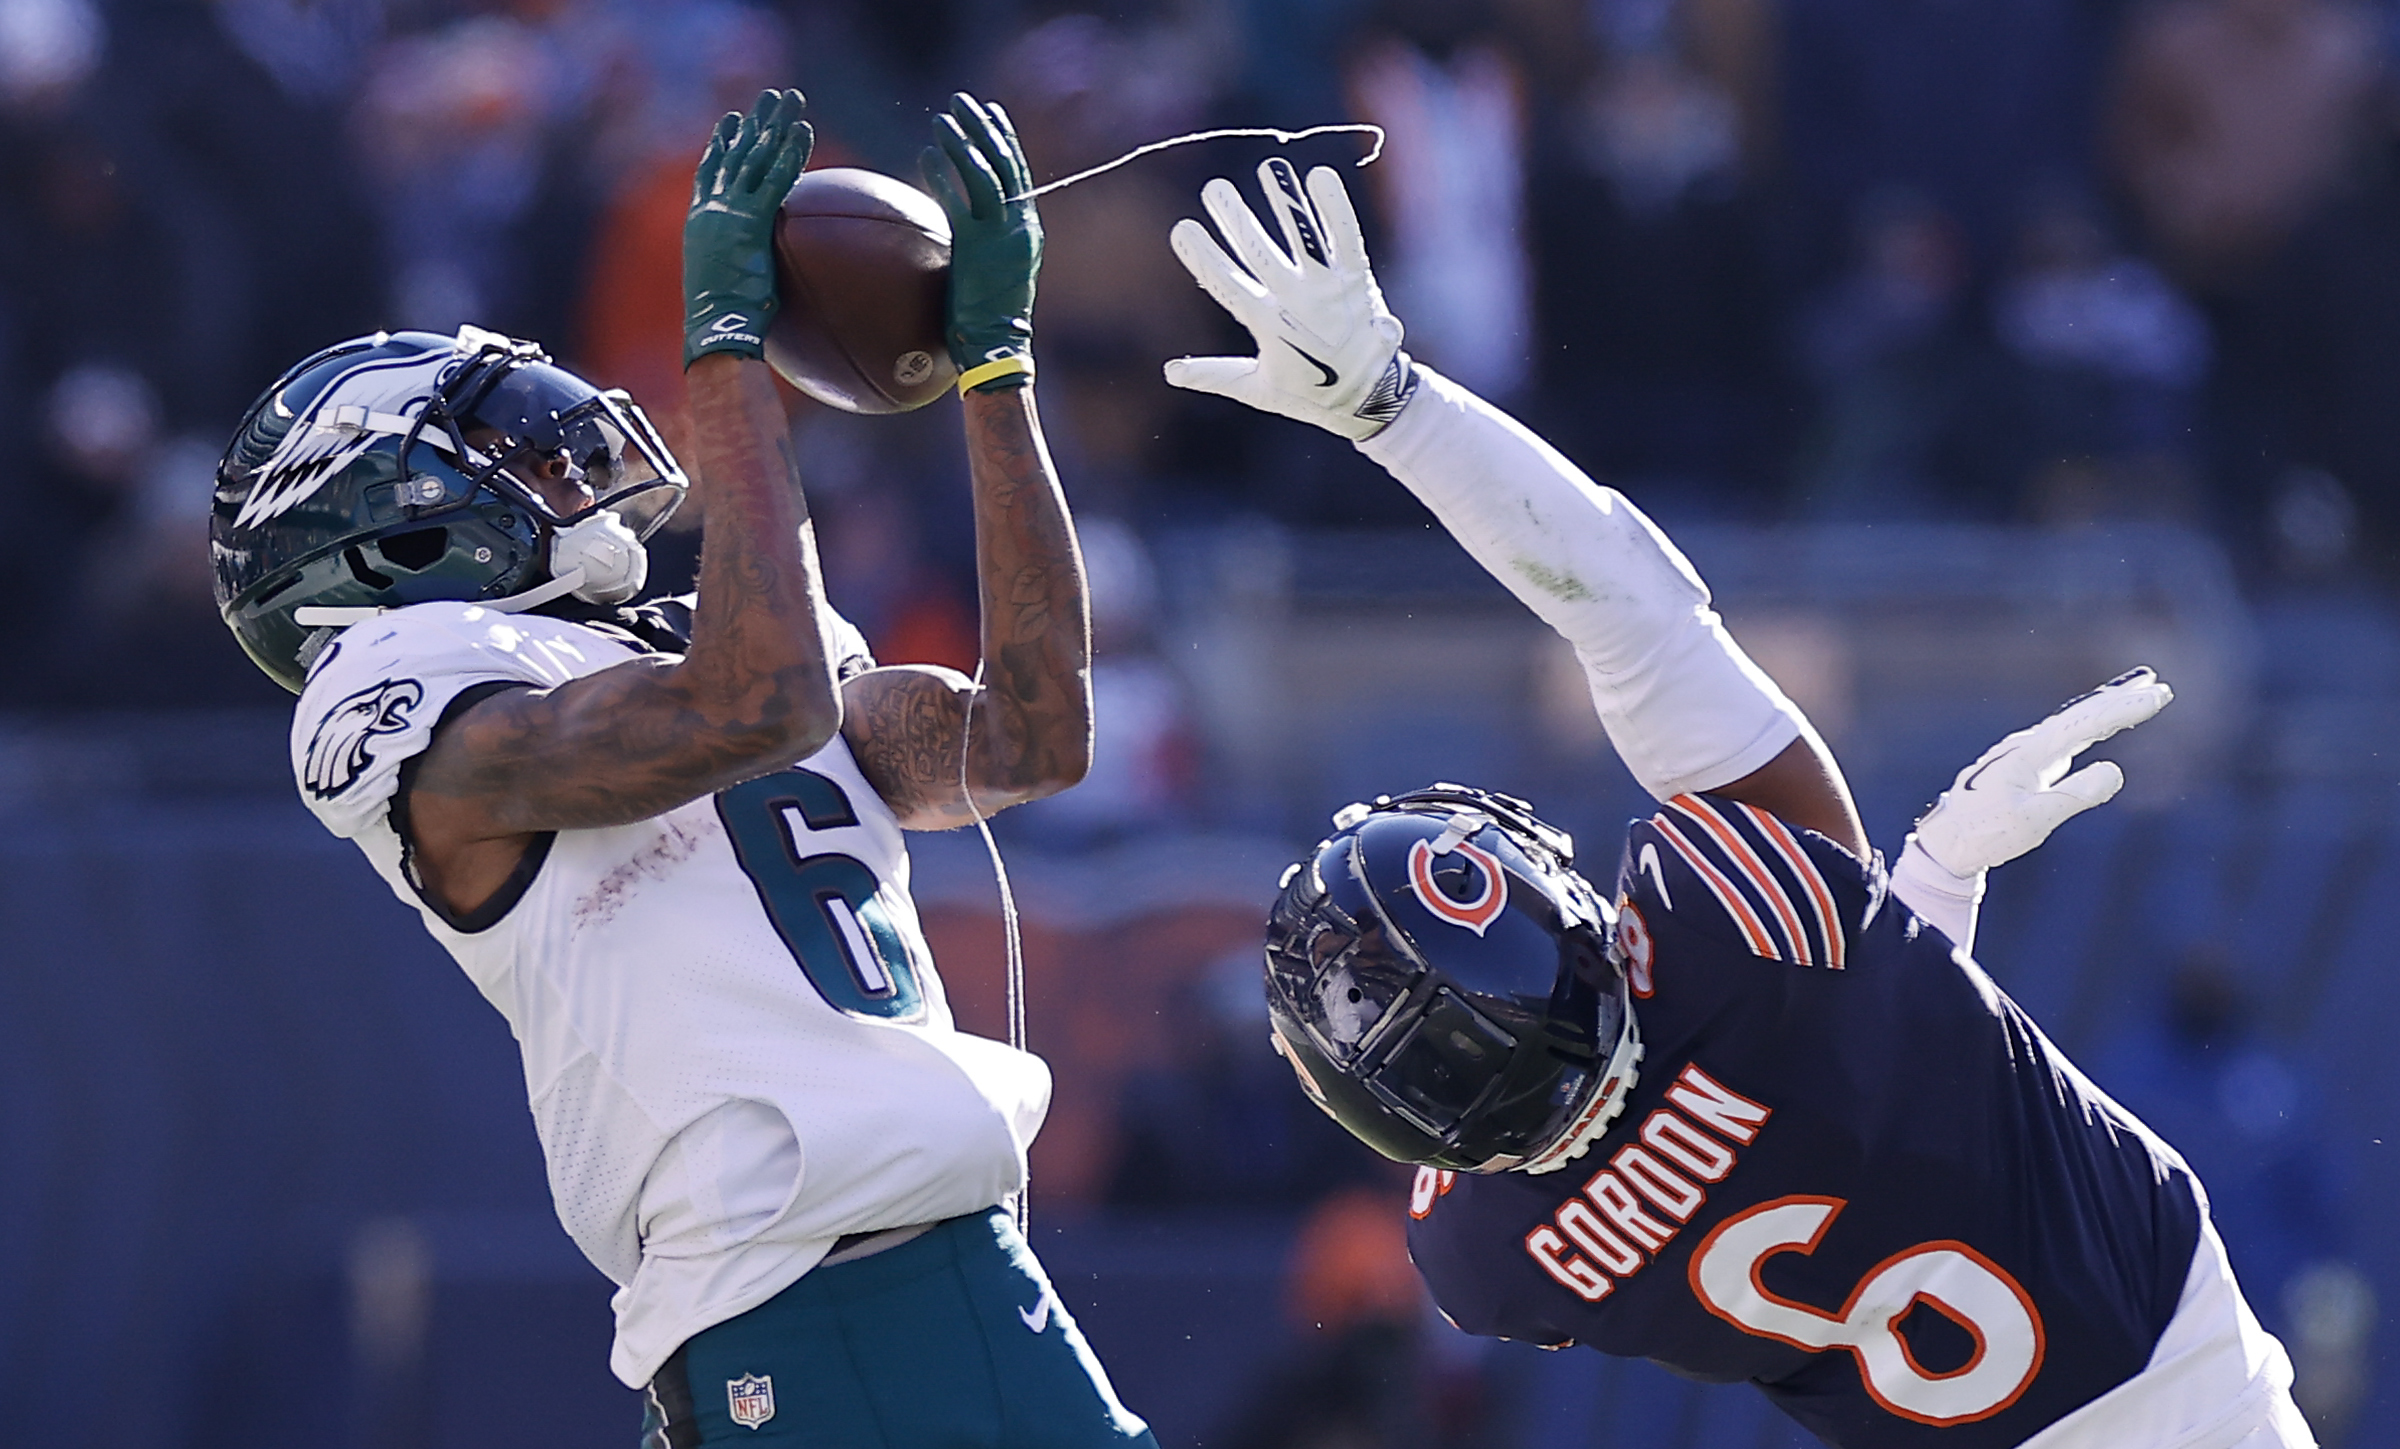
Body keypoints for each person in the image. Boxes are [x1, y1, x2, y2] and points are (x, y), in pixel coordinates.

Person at [1162, 158, 2313, 1446]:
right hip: (2178, 1367)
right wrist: (1394, 406)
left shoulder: (1496, 1266)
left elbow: (1844, 1088)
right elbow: (1626, 597)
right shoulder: (1751, 931)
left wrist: (1930, 894)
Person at [209, 89, 1154, 1448]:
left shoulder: (685, 638)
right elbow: (751, 704)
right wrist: (728, 357)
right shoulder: (396, 693)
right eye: (493, 450)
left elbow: (1031, 736)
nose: (550, 460)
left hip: (956, 1271)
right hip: (807, 1300)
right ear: (374, 525)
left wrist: (1000, 378)